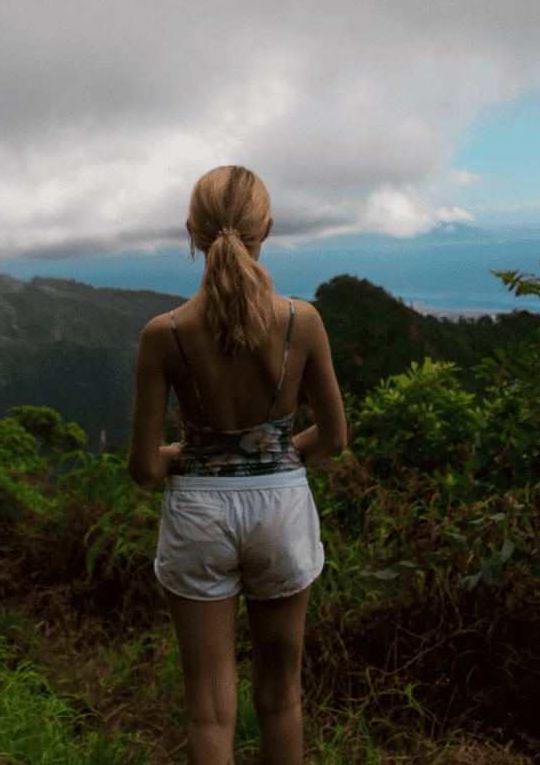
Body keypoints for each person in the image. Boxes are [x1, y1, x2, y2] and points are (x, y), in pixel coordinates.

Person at [129, 165, 347, 765]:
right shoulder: (302, 322)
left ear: (192, 234)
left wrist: (189, 457)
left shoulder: (163, 334)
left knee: (208, 710)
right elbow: (333, 436)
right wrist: (271, 457)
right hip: (281, 510)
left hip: (198, 515)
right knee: (282, 699)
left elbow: (145, 468)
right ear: (267, 229)